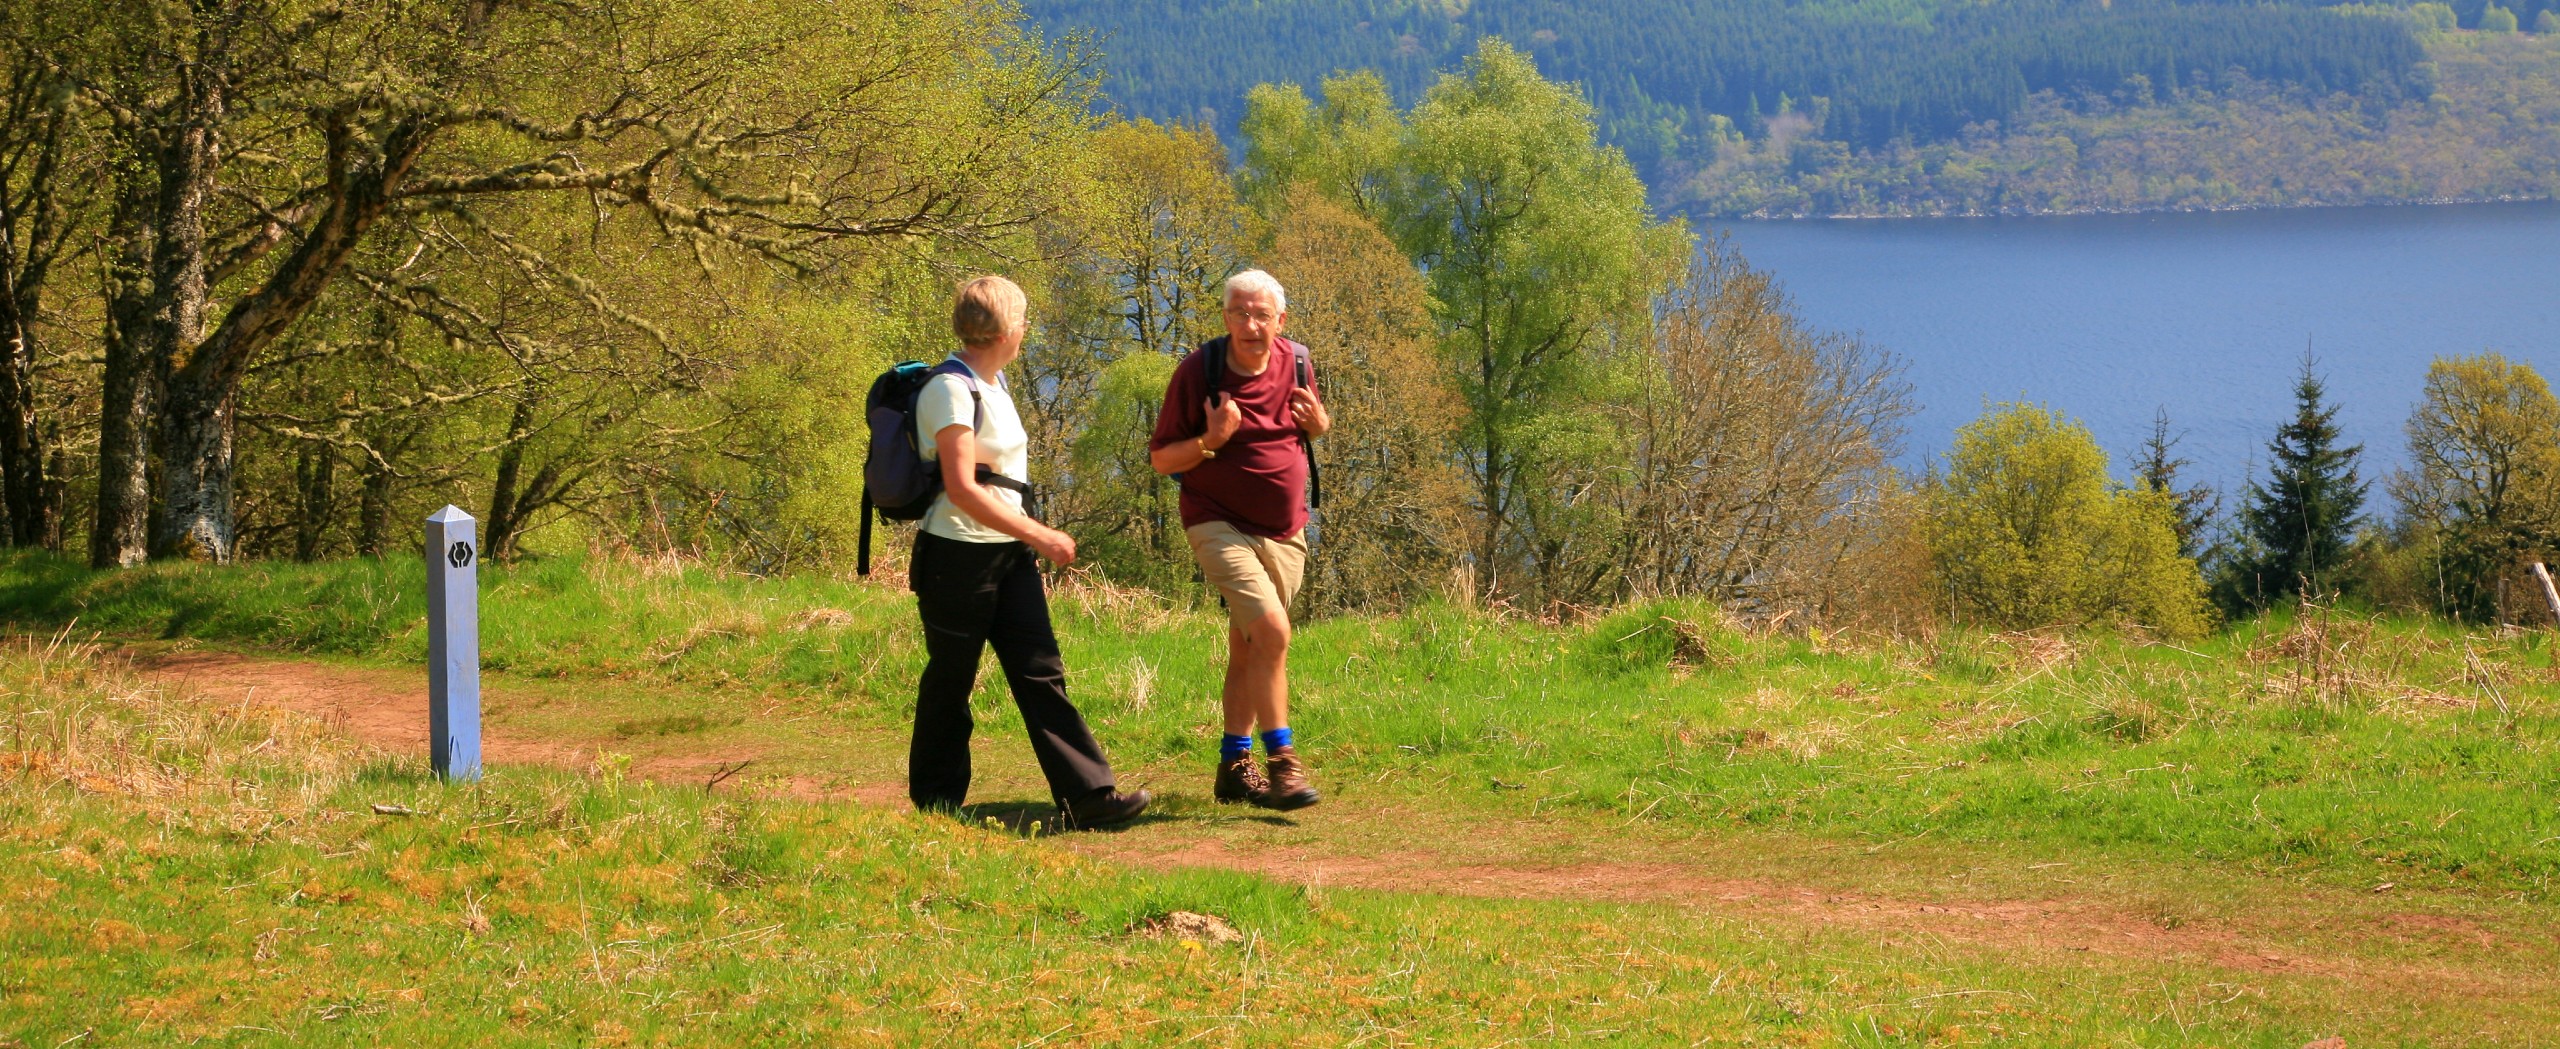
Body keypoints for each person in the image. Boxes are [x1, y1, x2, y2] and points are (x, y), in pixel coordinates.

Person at [909, 275, 1149, 829]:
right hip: (956, 557)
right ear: (1003, 328)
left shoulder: (993, 384)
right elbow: (962, 487)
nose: (1025, 329)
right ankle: (937, 804)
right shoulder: (949, 389)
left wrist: (1022, 539)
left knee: (1041, 672)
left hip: (1006, 557)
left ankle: (1089, 798)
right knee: (951, 677)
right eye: (1022, 320)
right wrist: (1037, 533)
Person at [1149, 269, 1330, 810]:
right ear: (1225, 316)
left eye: (1261, 315)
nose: (1250, 325)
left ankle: (1234, 764)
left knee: (1249, 646)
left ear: (1281, 319)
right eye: (1239, 314)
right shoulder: (1198, 372)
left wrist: (1319, 426)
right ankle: (1284, 764)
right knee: (1272, 632)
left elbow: (1307, 428)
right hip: (1215, 521)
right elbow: (1161, 459)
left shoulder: (1297, 361)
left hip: (1286, 530)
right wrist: (1211, 440)